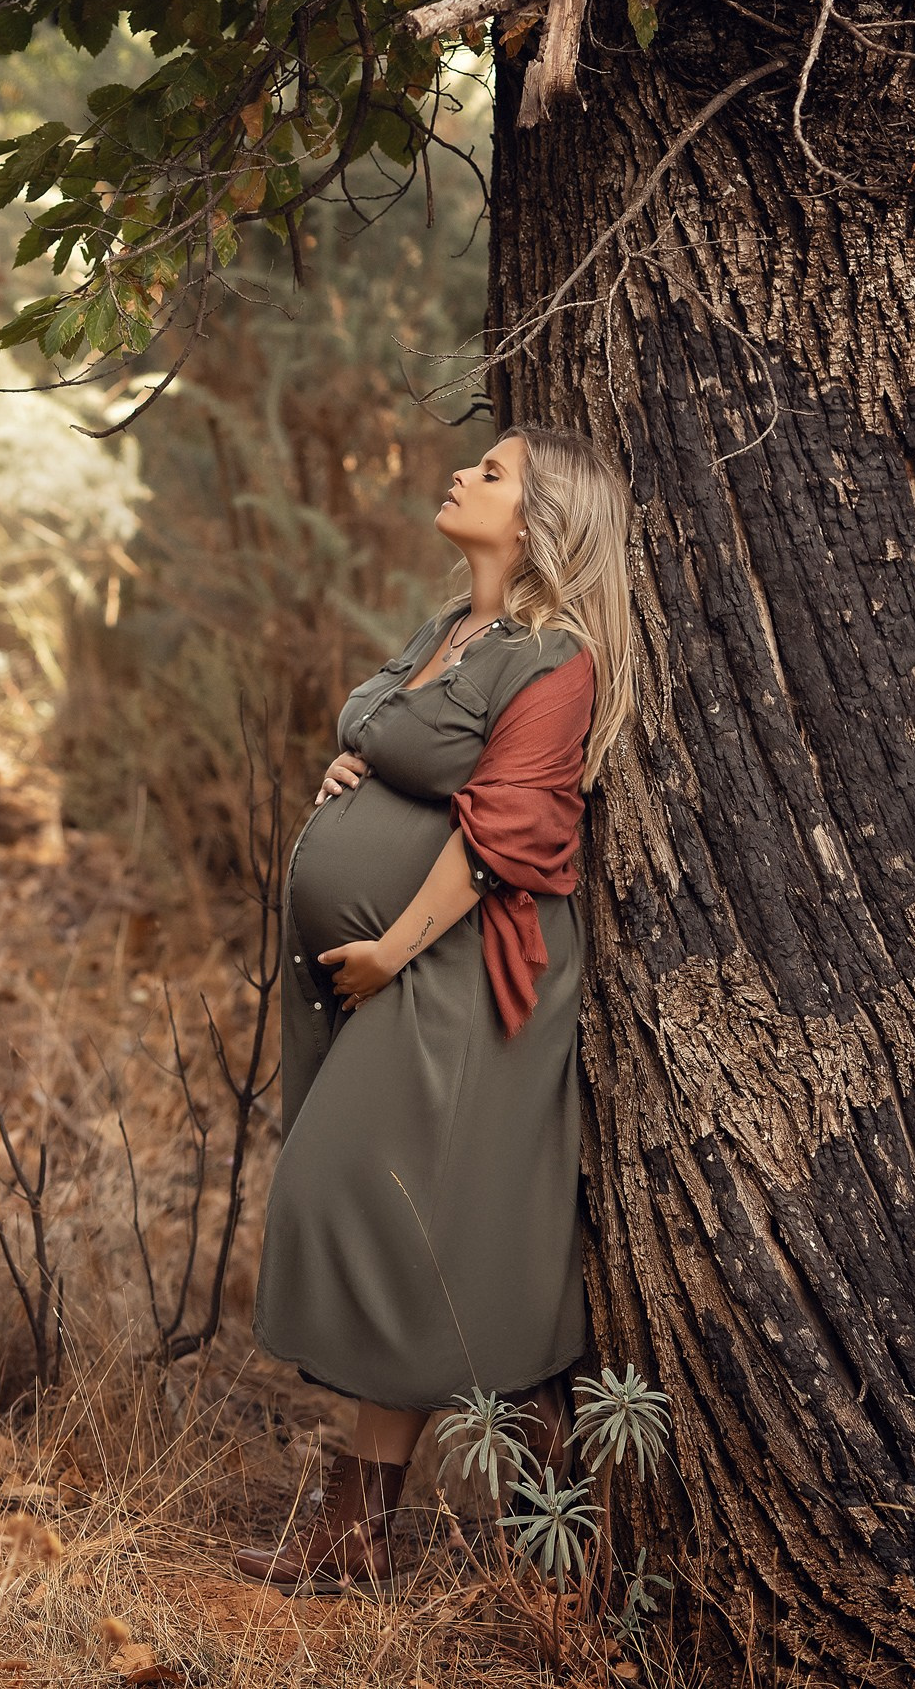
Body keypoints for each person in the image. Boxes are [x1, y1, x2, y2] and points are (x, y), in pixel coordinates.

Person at [235, 424, 636, 1593]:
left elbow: (511, 832)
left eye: (494, 473)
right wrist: (348, 766)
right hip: (394, 963)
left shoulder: (556, 659)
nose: (466, 474)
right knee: (414, 1228)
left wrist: (388, 950)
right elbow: (389, 730)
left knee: (363, 1193)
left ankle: (541, 1485)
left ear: (537, 524)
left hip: (460, 965)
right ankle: (360, 1531)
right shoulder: (454, 629)